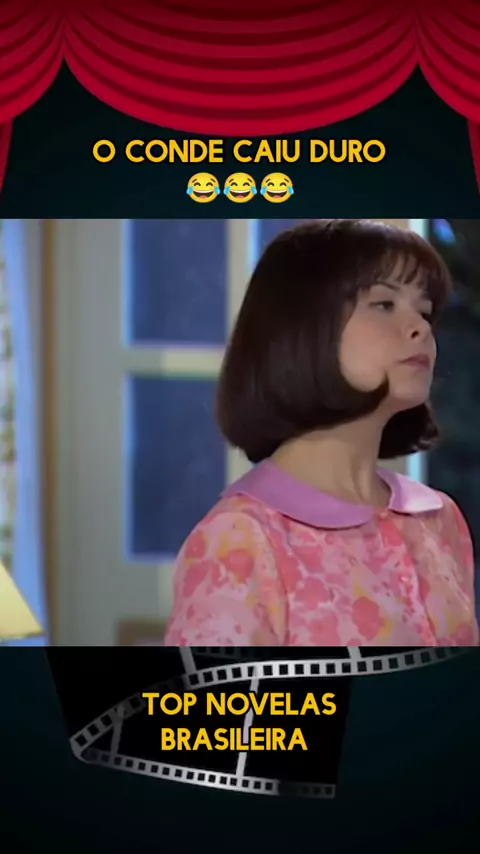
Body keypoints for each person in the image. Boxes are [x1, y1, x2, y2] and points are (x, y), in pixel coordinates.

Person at [164, 219, 479, 647]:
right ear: (303, 327)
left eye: (424, 311)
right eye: (384, 304)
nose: (420, 328)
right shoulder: (240, 540)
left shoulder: (440, 519)